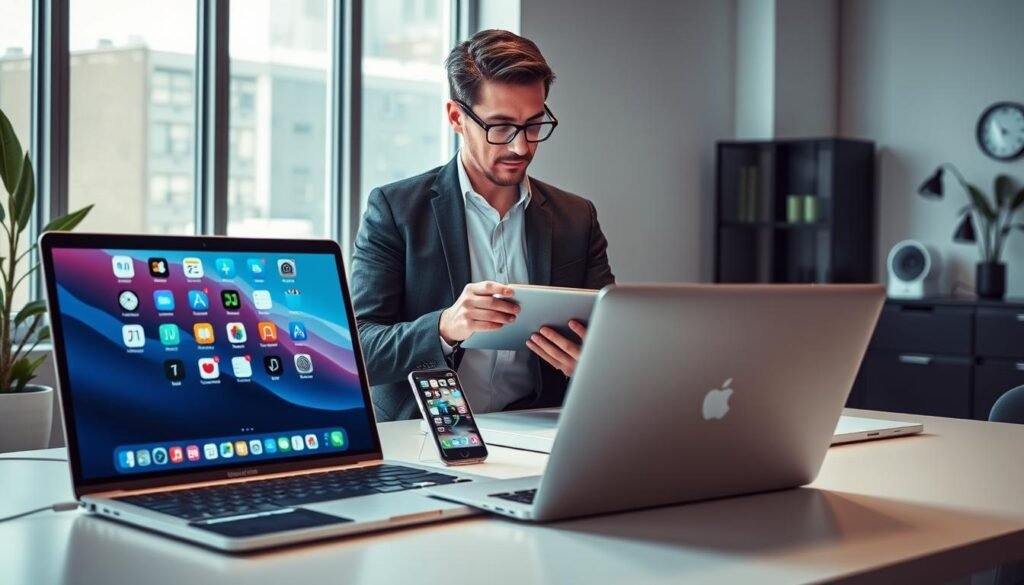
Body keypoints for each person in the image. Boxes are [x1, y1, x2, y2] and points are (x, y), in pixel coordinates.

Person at [351, 29, 614, 422]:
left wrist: (591, 367)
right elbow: (359, 350)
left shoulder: (577, 218)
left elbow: (614, 341)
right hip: (425, 435)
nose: (520, 147)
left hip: (542, 430)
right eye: (501, 127)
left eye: (534, 124)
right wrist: (445, 326)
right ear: (457, 117)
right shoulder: (395, 210)